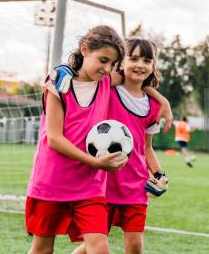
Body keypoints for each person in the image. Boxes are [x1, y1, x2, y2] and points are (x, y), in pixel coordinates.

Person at [26, 25, 128, 254]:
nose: (107, 68)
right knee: (42, 249)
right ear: (84, 49)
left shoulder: (106, 80)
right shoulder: (57, 83)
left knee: (99, 247)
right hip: (52, 179)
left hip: (90, 184)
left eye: (112, 64)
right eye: (103, 60)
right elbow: (54, 138)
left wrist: (164, 104)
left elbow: (137, 73)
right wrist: (95, 162)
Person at [72, 37, 168, 254]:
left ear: (153, 66)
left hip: (135, 186)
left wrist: (159, 173)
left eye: (147, 60)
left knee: (135, 246)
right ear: (121, 62)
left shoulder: (153, 107)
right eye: (133, 58)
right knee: (91, 246)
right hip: (102, 185)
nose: (140, 65)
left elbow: (147, 148)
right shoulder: (106, 91)